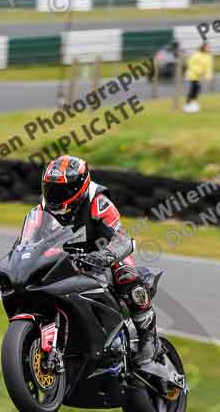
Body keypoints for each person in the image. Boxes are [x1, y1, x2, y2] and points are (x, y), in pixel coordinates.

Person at [24, 154, 160, 367]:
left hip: (102, 259)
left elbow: (122, 239)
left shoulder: (98, 202)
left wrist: (104, 256)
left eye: (61, 190)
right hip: (66, 261)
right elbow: (28, 243)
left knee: (126, 274)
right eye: (50, 188)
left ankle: (148, 337)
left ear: (79, 187)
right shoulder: (41, 211)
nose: (54, 195)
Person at [183, 41, 213, 113]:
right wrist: (198, 71)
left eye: (209, 47)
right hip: (192, 75)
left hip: (200, 76)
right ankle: (187, 104)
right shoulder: (196, 55)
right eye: (207, 47)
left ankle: (193, 103)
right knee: (193, 89)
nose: (208, 48)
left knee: (197, 89)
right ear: (203, 47)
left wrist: (208, 76)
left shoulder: (208, 56)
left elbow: (209, 67)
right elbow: (190, 63)